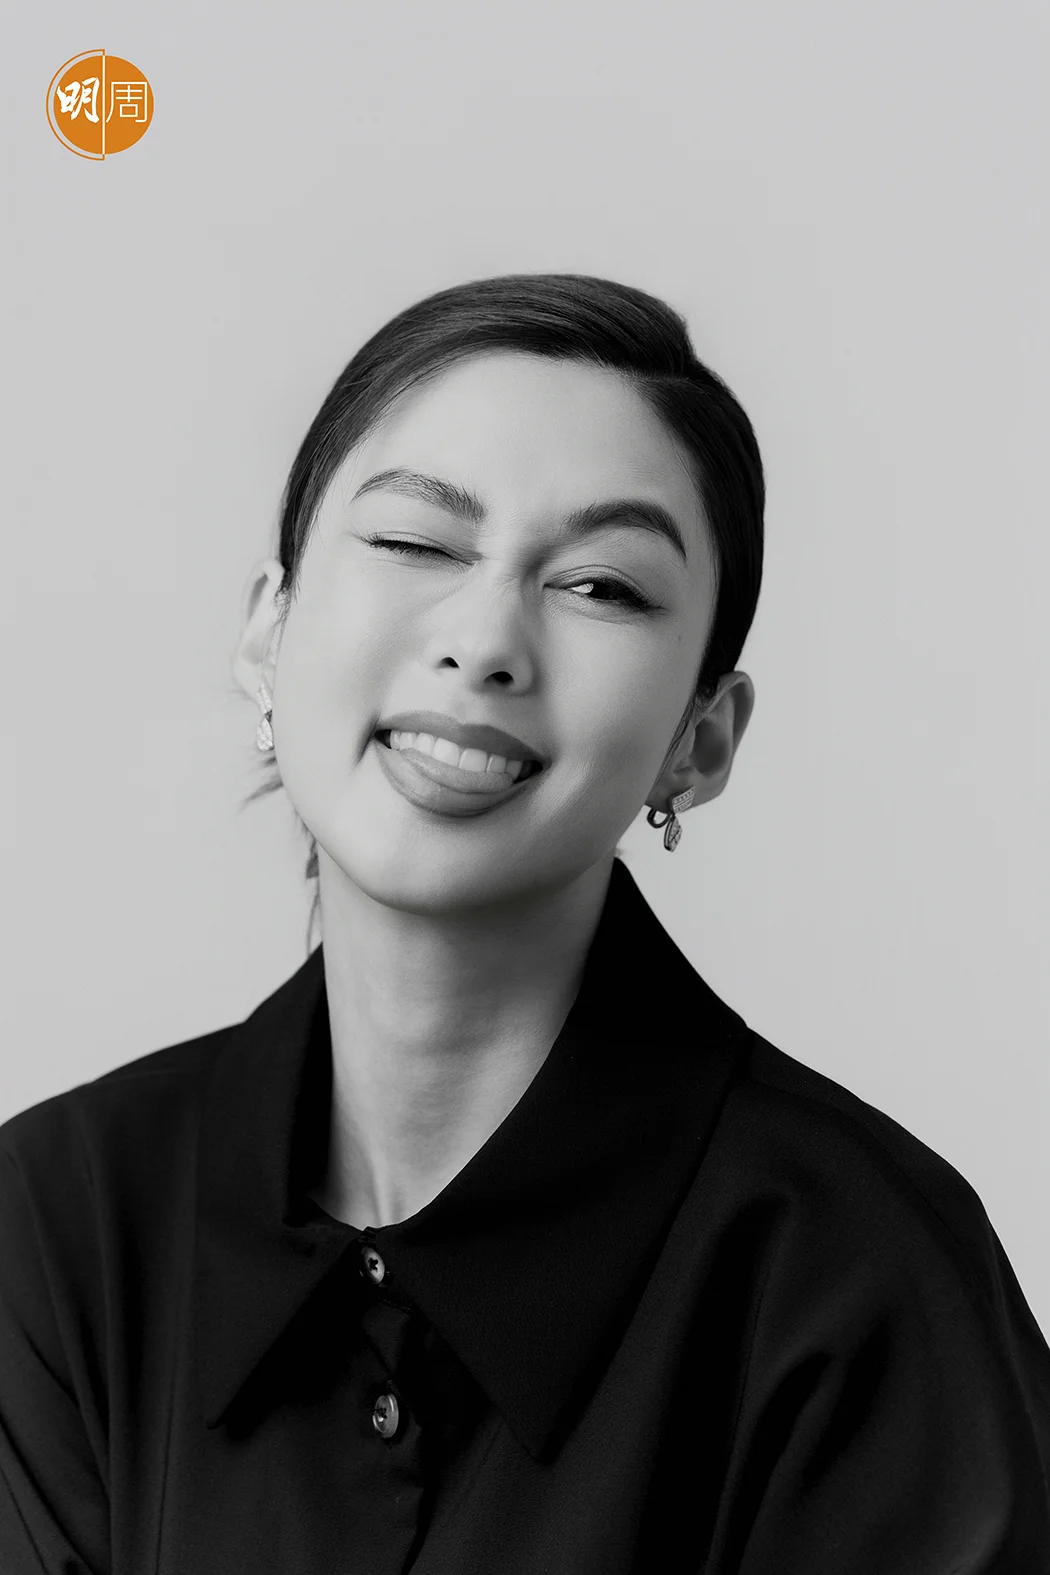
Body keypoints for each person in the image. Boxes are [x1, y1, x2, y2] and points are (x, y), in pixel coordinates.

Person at [1, 274, 1048, 1574]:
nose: (484, 641)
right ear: (268, 633)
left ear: (701, 739)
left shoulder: (862, 1282)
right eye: (416, 541)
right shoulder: (60, 1223)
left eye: (601, 584)